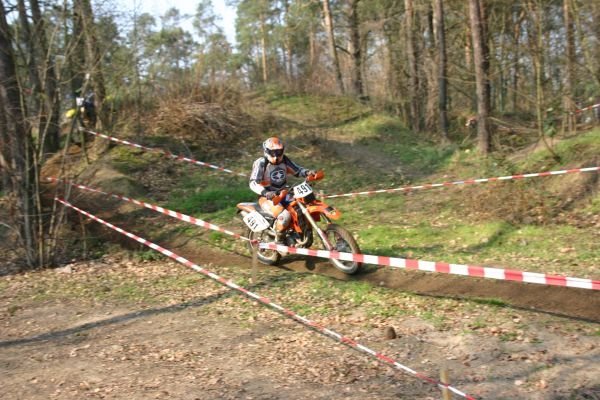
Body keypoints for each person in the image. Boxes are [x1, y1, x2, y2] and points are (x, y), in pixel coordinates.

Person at [249, 137, 316, 244]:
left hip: (284, 193)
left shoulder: (284, 160)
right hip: (267, 197)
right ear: (266, 151)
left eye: (279, 152)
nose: (276, 155)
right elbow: (253, 183)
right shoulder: (261, 163)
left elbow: (297, 170)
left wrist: (307, 172)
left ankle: (299, 234)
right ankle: (279, 242)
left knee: (301, 207)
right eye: (273, 152)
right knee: (285, 216)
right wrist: (265, 192)